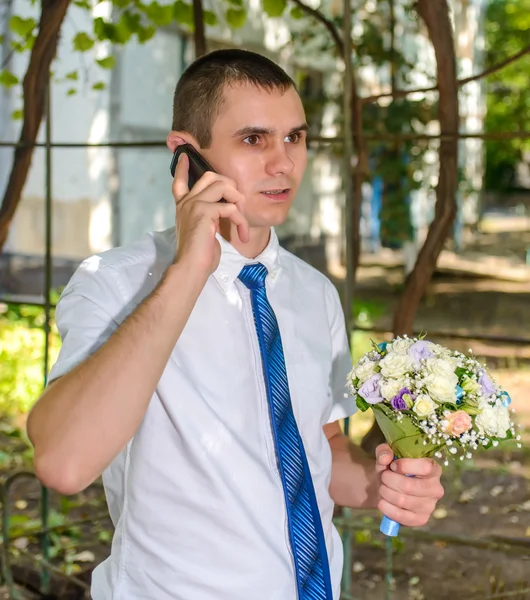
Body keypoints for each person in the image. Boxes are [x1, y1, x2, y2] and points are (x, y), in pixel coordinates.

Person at [26, 49, 444, 600]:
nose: (284, 163)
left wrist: (388, 486)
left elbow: (322, 449)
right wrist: (189, 270)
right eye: (254, 139)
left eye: (294, 137)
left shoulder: (314, 292)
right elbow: (63, 462)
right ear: (186, 156)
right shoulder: (116, 284)